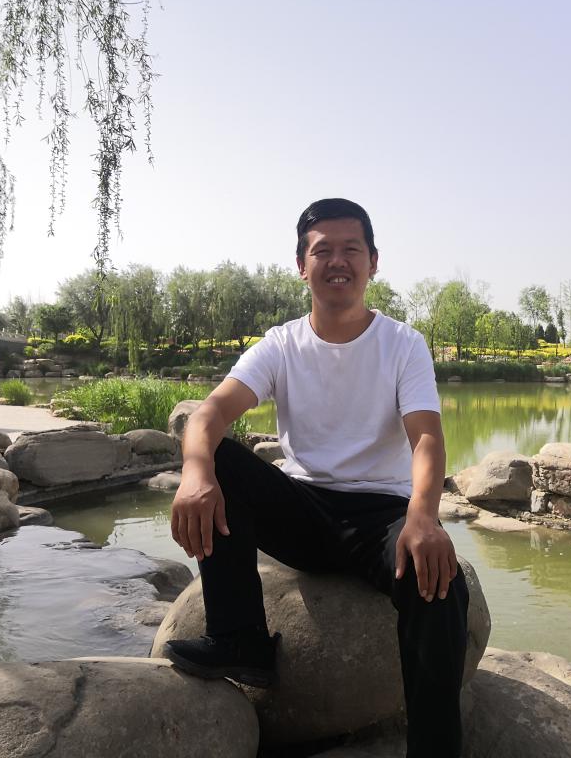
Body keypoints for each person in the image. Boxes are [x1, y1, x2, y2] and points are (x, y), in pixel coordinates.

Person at [165, 198, 469, 757]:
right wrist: (195, 473)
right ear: (301, 266)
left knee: (440, 582)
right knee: (219, 461)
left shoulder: (403, 344)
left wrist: (424, 517)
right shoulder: (281, 344)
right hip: (302, 512)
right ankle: (240, 638)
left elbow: (425, 436)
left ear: (373, 262)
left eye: (351, 249)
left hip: (382, 516)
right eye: (322, 250)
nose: (337, 261)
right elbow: (209, 414)